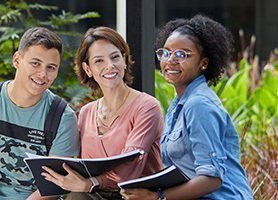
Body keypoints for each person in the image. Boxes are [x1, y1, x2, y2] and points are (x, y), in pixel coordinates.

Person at [120, 14, 254, 200]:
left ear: (203, 63)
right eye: (166, 52)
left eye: (182, 54)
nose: (170, 60)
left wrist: (156, 197)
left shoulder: (198, 105)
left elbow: (211, 179)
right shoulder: (178, 105)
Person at [0, 27, 80, 200]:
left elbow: (53, 184)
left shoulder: (63, 117)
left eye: (51, 67)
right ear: (17, 60)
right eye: (35, 63)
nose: (43, 74)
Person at [42, 26, 164, 200]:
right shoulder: (85, 113)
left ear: (124, 60)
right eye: (99, 61)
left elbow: (130, 166)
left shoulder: (147, 107)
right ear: (88, 69)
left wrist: (90, 184)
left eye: (115, 57)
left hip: (134, 196)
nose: (110, 66)